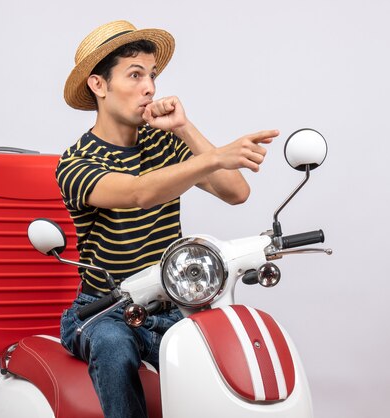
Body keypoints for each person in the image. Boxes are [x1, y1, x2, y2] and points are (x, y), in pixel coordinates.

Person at [56, 20, 278, 418]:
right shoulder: (76, 164)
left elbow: (236, 192)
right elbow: (138, 193)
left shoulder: (163, 140)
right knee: (112, 346)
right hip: (103, 309)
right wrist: (215, 155)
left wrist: (184, 128)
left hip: (172, 305)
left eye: (153, 76)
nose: (150, 88)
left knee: (223, 350)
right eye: (135, 75)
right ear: (99, 85)